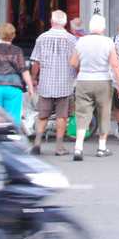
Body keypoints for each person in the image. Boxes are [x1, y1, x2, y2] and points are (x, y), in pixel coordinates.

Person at [68, 15, 119, 161]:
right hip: (103, 81)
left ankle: (78, 147)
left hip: (84, 81)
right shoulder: (108, 42)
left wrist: (84, 67)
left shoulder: (81, 41)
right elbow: (115, 65)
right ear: (103, 28)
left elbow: (73, 63)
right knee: (104, 113)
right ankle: (101, 147)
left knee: (82, 114)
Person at [29, 10, 78, 156]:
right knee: (62, 116)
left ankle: (37, 143)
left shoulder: (41, 38)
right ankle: (59, 147)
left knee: (42, 115)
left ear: (51, 22)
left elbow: (36, 62)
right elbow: (76, 62)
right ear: (65, 22)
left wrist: (34, 78)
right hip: (65, 83)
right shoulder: (72, 39)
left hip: (46, 83)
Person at [0, 23, 35, 124]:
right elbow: (24, 70)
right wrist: (30, 86)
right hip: (13, 87)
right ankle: (12, 138)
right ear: (13, 35)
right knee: (13, 118)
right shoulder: (17, 50)